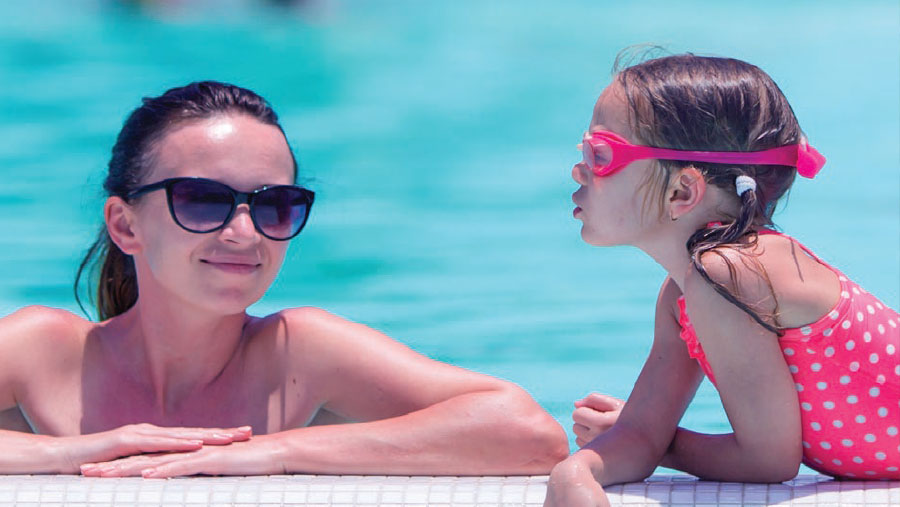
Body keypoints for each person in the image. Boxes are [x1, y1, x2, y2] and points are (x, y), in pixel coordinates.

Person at [0, 81, 568, 478]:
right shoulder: (46, 352)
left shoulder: (299, 353)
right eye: (202, 200)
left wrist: (276, 452)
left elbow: (529, 433)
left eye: (275, 205)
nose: (244, 233)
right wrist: (77, 451)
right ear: (126, 225)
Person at [544, 54, 900, 506]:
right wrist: (575, 473)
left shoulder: (727, 275)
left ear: (683, 191)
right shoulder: (682, 294)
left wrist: (665, 443)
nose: (579, 170)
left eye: (601, 155)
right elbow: (641, 433)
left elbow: (768, 461)